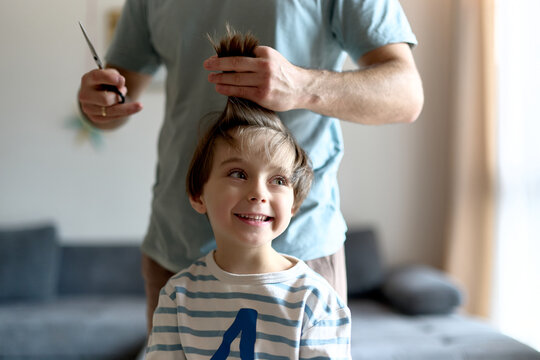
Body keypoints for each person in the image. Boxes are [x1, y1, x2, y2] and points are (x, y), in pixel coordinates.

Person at [77, 0, 423, 332]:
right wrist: (98, 105)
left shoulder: (311, 293)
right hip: (177, 250)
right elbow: (117, 98)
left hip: (299, 254)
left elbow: (406, 96)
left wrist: (302, 87)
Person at [145, 31, 351, 360]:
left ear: (295, 204)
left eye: (278, 180)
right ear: (198, 194)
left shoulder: (315, 300)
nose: (258, 193)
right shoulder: (177, 297)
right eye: (238, 174)